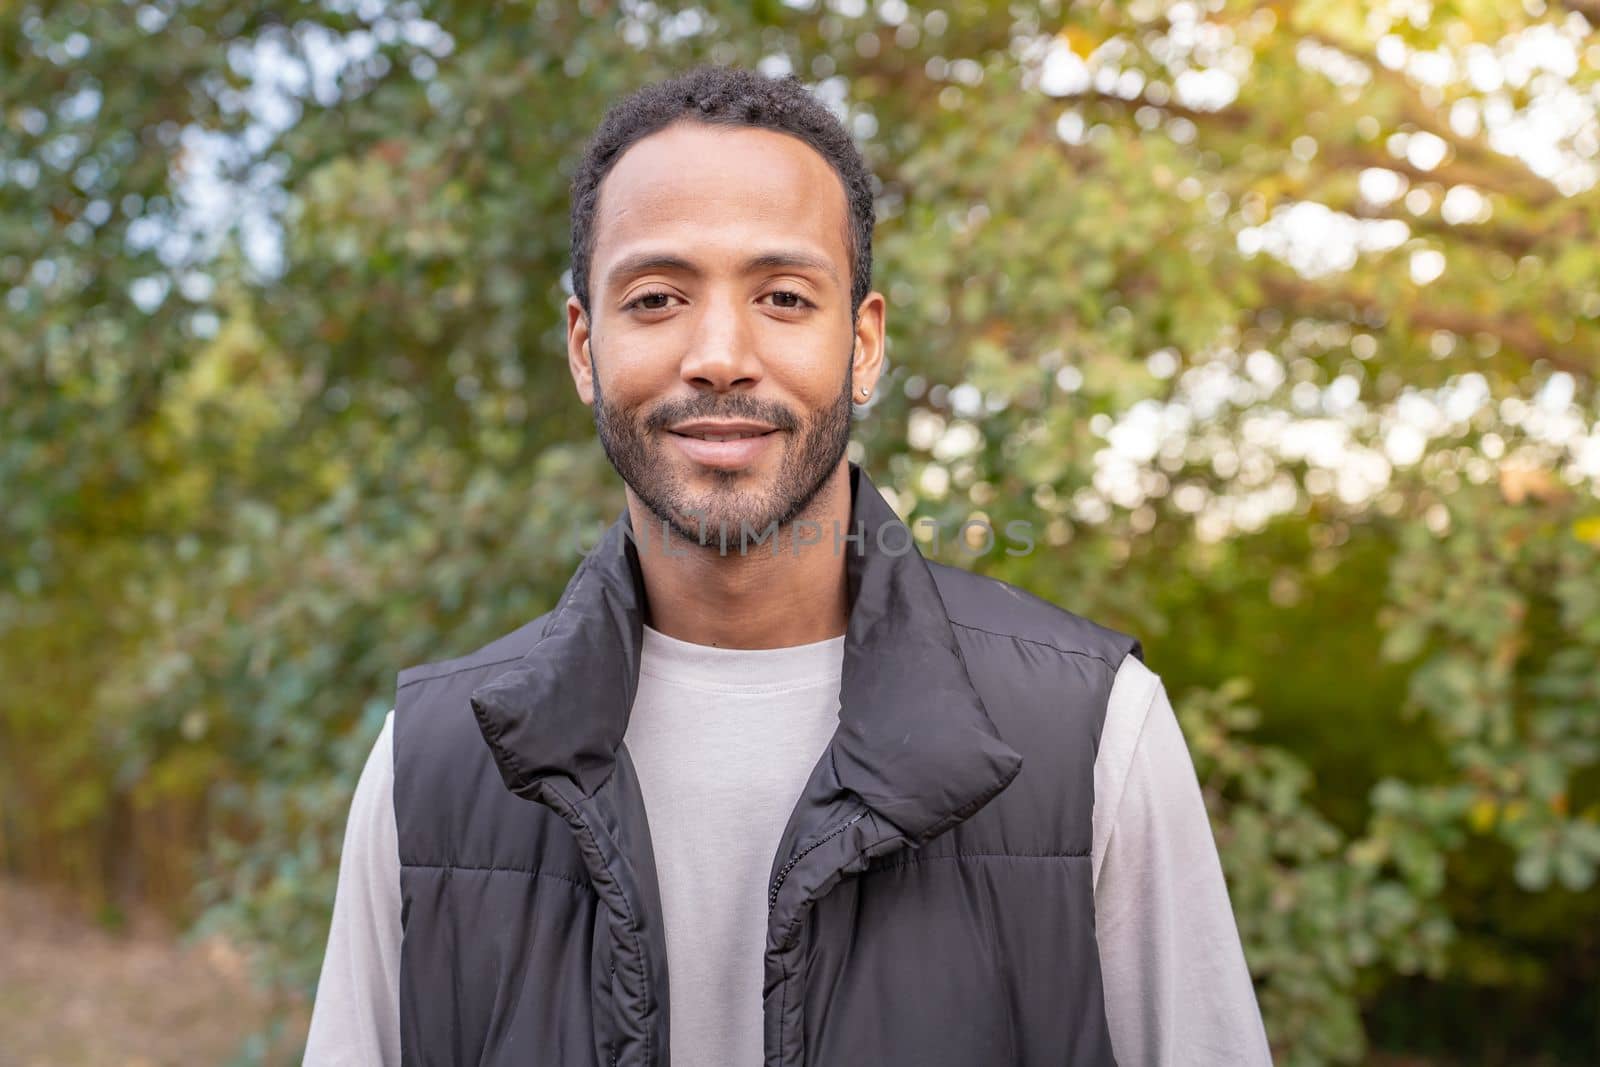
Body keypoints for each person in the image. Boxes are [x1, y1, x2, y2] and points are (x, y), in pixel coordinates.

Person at [304, 65, 1271, 1066]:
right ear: (583, 347)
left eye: (781, 295)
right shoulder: (426, 768)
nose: (719, 352)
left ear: (861, 343)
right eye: (656, 297)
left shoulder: (1095, 735)